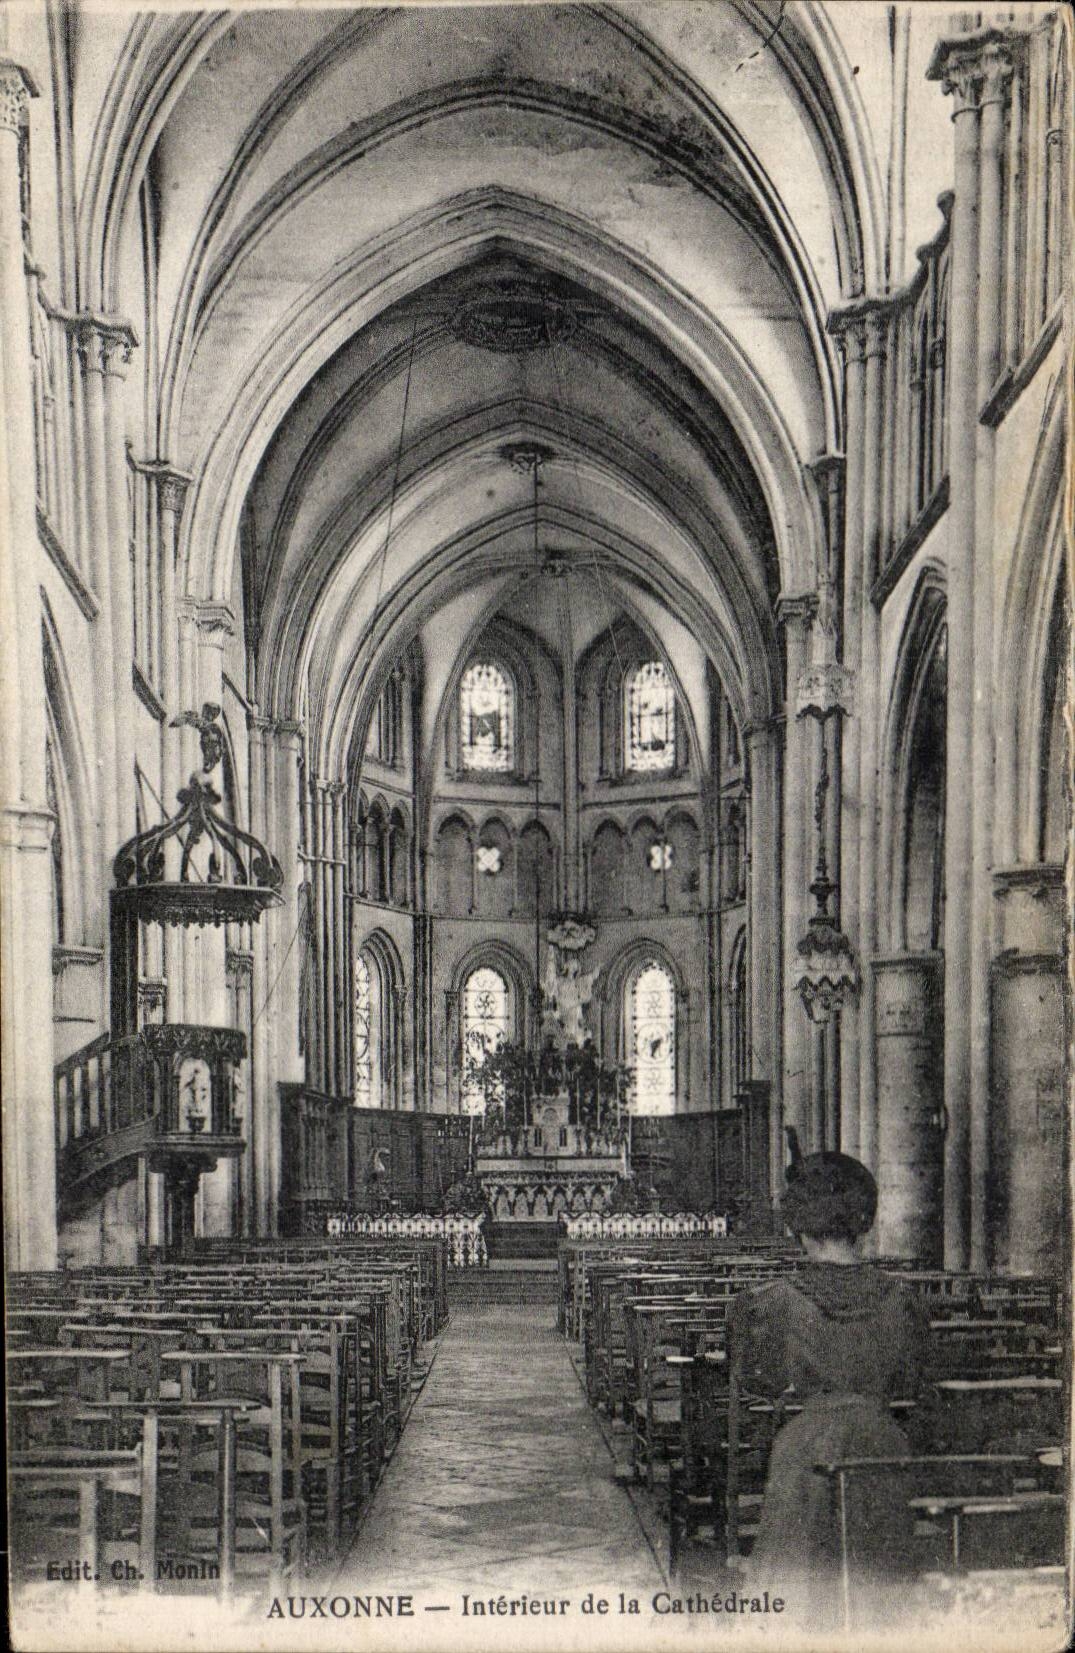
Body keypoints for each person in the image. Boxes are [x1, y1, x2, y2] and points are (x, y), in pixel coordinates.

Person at [726, 1150, 930, 1625]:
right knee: (881, 1599)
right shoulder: (904, 1301)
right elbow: (911, 1381)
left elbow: (759, 1381)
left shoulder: (769, 1303)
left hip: (805, 1453)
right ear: (863, 1220)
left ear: (797, 1223)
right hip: (882, 1448)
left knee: (798, 1599)